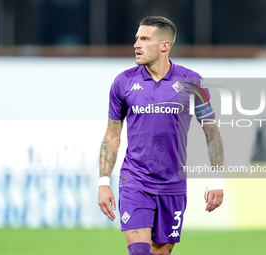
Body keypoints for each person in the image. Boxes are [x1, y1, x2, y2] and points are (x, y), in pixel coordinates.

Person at [98, 16, 224, 255]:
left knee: (160, 253)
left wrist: (217, 179)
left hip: (173, 185)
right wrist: (104, 182)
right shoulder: (123, 83)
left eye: (145, 39)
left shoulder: (192, 82)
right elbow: (112, 136)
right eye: (137, 38)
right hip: (135, 181)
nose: (136, 44)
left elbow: (212, 134)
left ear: (164, 46)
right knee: (139, 252)